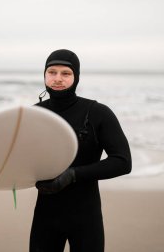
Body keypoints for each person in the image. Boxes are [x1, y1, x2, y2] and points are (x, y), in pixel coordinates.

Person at [30, 49, 132, 252]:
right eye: (52, 72)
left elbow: (122, 161)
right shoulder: (34, 114)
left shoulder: (97, 112)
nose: (58, 78)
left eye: (65, 73)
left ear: (76, 77)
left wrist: (73, 175)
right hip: (45, 216)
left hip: (85, 215)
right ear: (44, 75)